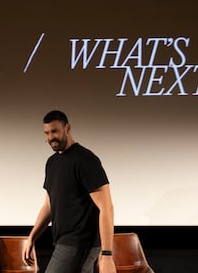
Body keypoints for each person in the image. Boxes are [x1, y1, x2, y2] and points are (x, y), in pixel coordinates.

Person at [22, 110, 116, 273]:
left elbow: (106, 207)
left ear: (67, 128)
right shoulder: (52, 163)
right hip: (64, 241)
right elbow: (49, 205)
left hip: (80, 243)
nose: (50, 137)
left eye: (55, 131)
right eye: (47, 133)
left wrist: (107, 254)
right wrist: (32, 238)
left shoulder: (86, 160)